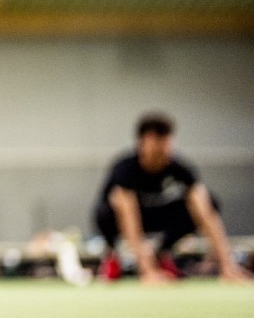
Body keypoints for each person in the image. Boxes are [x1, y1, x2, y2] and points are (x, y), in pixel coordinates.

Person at [94, 112, 250, 284]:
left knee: (210, 201)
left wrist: (228, 266)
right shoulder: (124, 169)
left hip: (158, 216)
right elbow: (129, 217)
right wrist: (147, 271)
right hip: (122, 219)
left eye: (166, 141)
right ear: (142, 143)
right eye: (156, 142)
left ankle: (161, 253)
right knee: (107, 209)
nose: (162, 149)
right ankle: (112, 256)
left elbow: (205, 212)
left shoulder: (179, 169)